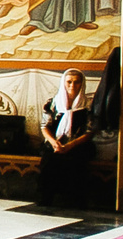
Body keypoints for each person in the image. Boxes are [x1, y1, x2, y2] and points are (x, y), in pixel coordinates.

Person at [38, 68, 93, 207]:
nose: (72, 86)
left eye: (76, 82)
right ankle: (46, 199)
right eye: (69, 82)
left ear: (82, 84)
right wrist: (54, 143)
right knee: (49, 160)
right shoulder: (53, 103)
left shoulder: (88, 105)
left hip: (79, 144)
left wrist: (70, 145)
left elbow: (90, 131)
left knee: (76, 161)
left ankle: (74, 201)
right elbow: (44, 126)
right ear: (63, 83)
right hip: (55, 143)